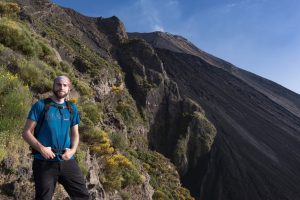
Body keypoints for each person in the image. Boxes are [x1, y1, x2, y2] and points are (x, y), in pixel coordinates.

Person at [22, 76, 90, 200]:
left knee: (83, 196)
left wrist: (72, 150)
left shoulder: (71, 108)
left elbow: (75, 134)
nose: (61, 87)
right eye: (58, 84)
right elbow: (26, 133)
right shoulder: (41, 105)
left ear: (69, 88)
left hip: (67, 159)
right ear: (53, 86)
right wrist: (42, 149)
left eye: (65, 85)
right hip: (44, 161)